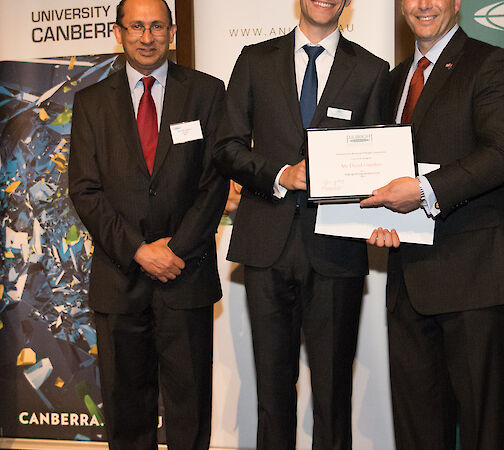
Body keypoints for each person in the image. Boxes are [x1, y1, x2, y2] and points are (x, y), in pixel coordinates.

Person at [213, 1, 389, 448]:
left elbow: (380, 159)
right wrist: (279, 174)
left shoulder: (371, 69)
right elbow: (227, 146)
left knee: (333, 394)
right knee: (272, 391)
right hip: (265, 244)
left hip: (336, 248)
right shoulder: (255, 59)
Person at [360, 0, 504, 448]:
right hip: (408, 284)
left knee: (482, 432)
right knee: (417, 434)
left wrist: (420, 191)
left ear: (456, 3)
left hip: (476, 281)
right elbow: (382, 168)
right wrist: (378, 218)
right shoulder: (394, 80)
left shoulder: (492, 63)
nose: (423, 5)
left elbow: (500, 156)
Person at [67, 0, 227, 447]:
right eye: (136, 26)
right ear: (118, 33)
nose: (146, 35)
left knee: (190, 411)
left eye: (157, 26)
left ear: (172, 33)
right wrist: (139, 250)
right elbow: (84, 190)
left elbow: (214, 184)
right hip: (120, 282)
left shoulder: (207, 93)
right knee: (126, 413)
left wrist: (175, 251)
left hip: (186, 276)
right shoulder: (91, 103)